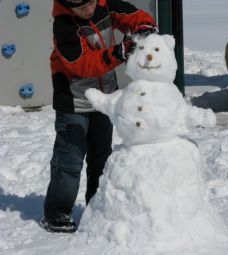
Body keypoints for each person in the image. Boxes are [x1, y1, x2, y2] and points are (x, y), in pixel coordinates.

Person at [40, 0, 157, 233]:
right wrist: (119, 52)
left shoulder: (104, 6)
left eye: (92, 3)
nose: (90, 10)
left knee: (101, 158)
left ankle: (97, 206)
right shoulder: (64, 26)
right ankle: (57, 212)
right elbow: (82, 65)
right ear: (68, 6)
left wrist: (143, 26)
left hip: (103, 100)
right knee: (69, 160)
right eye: (82, 8)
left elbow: (131, 15)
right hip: (74, 102)